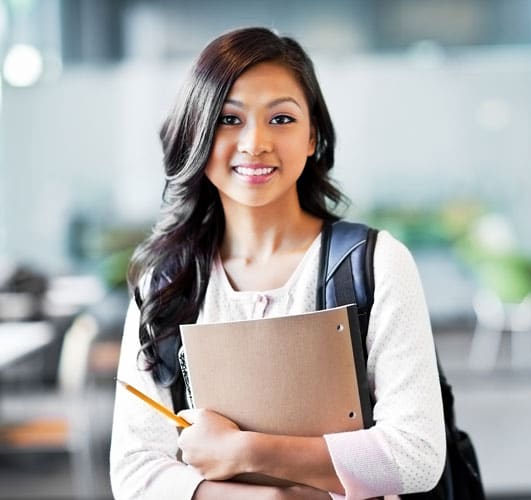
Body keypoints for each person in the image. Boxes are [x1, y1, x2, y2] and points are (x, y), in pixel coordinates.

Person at [110, 26, 445, 500]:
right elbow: (134, 472)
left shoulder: (375, 263)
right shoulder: (165, 281)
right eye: (229, 119)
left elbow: (416, 456)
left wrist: (247, 452)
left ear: (313, 137)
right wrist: (274, 498)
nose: (255, 143)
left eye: (282, 119)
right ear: (197, 134)